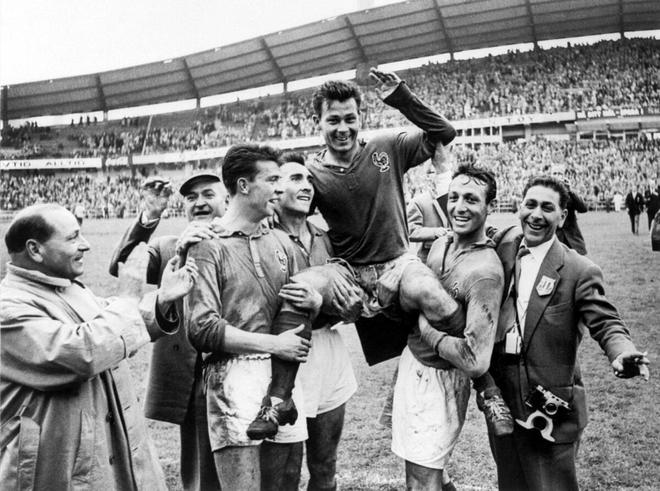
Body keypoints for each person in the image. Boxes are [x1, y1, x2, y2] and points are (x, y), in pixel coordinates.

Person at [0, 203, 198, 490]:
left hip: (105, 452)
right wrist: (128, 297)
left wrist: (162, 299)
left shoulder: (71, 288)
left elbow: (114, 329)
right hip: (56, 468)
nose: (86, 244)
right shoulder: (8, 307)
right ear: (34, 250)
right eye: (72, 238)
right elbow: (82, 353)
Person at [489, 175, 650, 490]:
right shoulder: (504, 246)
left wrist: (621, 351)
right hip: (505, 407)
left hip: (550, 408)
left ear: (563, 216)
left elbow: (605, 320)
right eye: (530, 204)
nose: (536, 214)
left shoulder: (579, 270)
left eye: (547, 208)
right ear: (518, 207)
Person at [184, 144, 316, 491]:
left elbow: (299, 311)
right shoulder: (208, 245)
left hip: (283, 378)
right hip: (232, 376)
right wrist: (275, 343)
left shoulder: (282, 243)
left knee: (286, 484)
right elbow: (201, 328)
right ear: (244, 186)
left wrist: (315, 299)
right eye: (272, 179)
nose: (279, 188)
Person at [108, 173, 228, 491]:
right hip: (194, 374)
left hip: (237, 364)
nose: (199, 202)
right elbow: (122, 264)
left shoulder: (245, 242)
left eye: (208, 194)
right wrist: (149, 216)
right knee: (201, 471)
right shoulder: (168, 247)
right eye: (191, 197)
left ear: (227, 200)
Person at [392, 164, 505, 491]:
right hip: (412, 364)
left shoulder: (485, 272)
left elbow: (475, 360)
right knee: (423, 474)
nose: (458, 206)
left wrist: (429, 332)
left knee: (422, 481)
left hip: (441, 379)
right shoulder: (442, 242)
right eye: (454, 197)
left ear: (491, 207)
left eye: (471, 199)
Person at [260, 153, 359, 491]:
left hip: (327, 350)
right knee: (284, 475)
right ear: (274, 190)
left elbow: (348, 302)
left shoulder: (326, 238)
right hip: (283, 357)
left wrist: (336, 308)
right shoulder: (261, 238)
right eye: (294, 179)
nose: (305, 186)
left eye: (308, 180)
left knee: (325, 466)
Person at [407, 146, 452, 263]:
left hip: (452, 256)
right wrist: (435, 232)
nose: (436, 175)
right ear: (426, 177)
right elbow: (409, 231)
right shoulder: (418, 202)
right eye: (431, 172)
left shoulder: (453, 198)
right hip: (428, 258)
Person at [551, 166, 588, 255]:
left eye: (559, 173)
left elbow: (583, 208)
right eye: (555, 173)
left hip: (572, 238)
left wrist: (570, 190)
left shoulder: (570, 193)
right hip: (554, 238)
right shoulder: (546, 193)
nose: (557, 176)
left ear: (563, 176)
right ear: (551, 176)